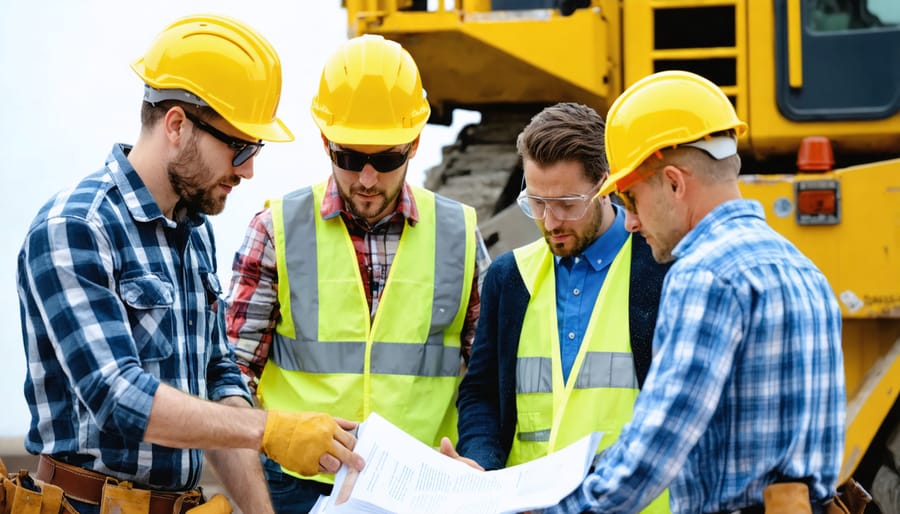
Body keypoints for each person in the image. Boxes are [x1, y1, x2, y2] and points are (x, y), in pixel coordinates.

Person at [16, 14, 363, 514]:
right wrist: (270, 430)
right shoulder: (75, 227)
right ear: (177, 124)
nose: (247, 169)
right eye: (239, 146)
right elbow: (118, 397)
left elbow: (219, 380)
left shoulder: (193, 231)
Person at [543, 71, 845, 513]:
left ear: (673, 182)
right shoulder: (804, 271)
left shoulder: (705, 276)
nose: (629, 221)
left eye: (630, 198)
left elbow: (654, 449)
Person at [225, 34, 487, 513]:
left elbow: (484, 380)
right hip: (295, 489)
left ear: (415, 144)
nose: (367, 179)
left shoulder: (459, 234)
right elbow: (231, 376)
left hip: (420, 487)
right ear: (325, 142)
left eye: (386, 159)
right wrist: (268, 443)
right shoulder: (275, 230)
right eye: (349, 158)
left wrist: (471, 460)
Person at [443, 102, 671, 513]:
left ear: (605, 184)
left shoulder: (660, 270)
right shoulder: (509, 278)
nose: (550, 222)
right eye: (536, 203)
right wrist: (480, 464)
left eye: (567, 203)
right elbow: (481, 396)